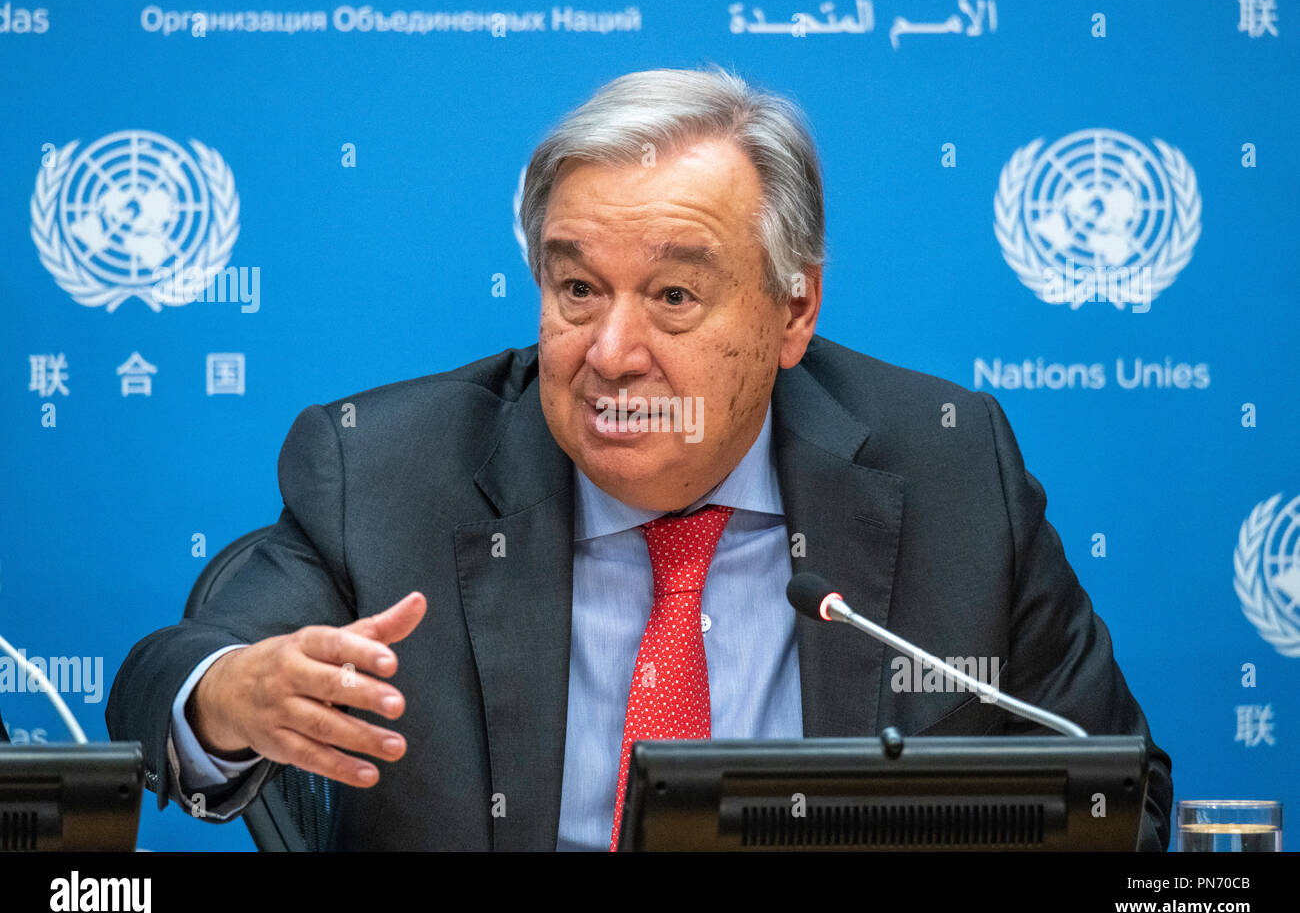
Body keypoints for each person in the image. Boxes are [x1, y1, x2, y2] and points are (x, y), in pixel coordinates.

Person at [106, 65, 1173, 851]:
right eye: (576, 290)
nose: (610, 353)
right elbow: (169, 673)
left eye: (672, 295)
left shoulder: (946, 469)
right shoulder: (388, 469)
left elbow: (1125, 802)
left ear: (792, 307)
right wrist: (227, 696)